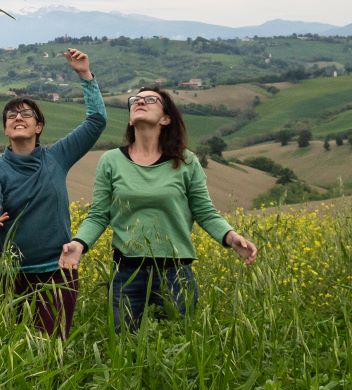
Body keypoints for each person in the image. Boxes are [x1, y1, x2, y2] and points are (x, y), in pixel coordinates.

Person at [60, 85, 258, 332]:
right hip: (127, 274)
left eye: (150, 99)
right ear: (131, 118)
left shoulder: (186, 161)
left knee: (177, 347)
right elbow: (99, 214)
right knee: (124, 348)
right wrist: (78, 244)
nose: (140, 102)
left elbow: (205, 211)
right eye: (135, 100)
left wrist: (231, 237)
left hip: (175, 273)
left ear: (165, 118)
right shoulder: (111, 160)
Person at [0, 47, 107, 337]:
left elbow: (96, 121)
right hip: (8, 276)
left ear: (39, 125)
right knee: (10, 355)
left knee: (51, 351)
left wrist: (85, 75)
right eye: (11, 115)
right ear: (5, 130)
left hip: (55, 273)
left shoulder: (57, 156)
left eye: (26, 114)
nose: (18, 117)